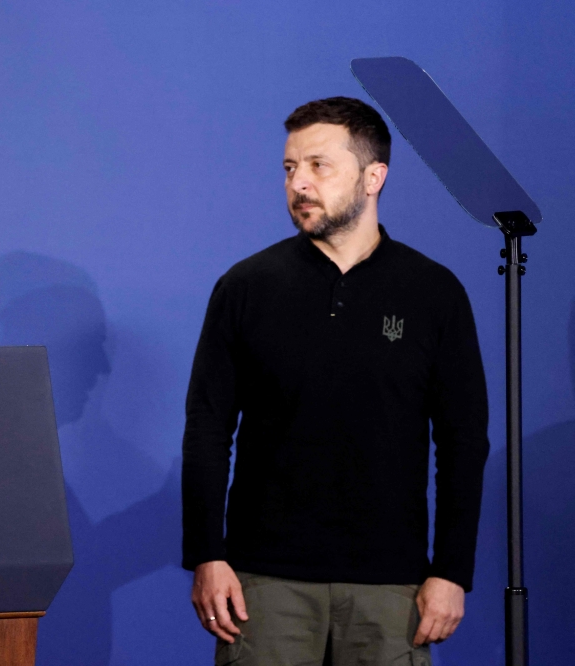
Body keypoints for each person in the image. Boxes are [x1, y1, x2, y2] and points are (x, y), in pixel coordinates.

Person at [182, 97, 489, 665]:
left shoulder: (433, 293)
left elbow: (463, 442)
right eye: (289, 168)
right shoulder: (247, 286)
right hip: (262, 585)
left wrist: (451, 570)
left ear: (374, 176)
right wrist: (207, 554)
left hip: (392, 587)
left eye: (318, 165)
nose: (299, 182)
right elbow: (207, 429)